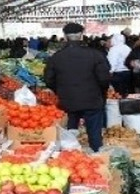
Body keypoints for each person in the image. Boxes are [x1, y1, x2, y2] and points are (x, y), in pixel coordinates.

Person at [44, 23, 110, 152]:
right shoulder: (95, 55)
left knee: (69, 135)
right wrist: (101, 92)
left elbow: (48, 80)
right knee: (95, 135)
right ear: (81, 35)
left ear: (65, 36)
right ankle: (97, 158)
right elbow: (104, 79)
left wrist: (61, 90)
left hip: (67, 102)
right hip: (92, 100)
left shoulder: (56, 57)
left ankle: (70, 159)